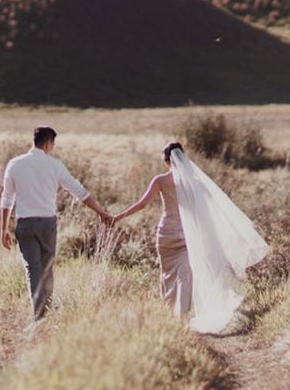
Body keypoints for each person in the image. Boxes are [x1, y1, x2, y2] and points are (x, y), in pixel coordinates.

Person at [112, 141, 269, 333]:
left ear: (166, 161)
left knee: (167, 275)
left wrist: (118, 217)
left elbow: (142, 204)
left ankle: (171, 315)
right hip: (186, 234)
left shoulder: (160, 181)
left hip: (166, 234)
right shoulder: (194, 181)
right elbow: (209, 206)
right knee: (186, 275)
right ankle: (182, 315)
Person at [0, 126, 111, 319]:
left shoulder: (15, 164)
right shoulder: (54, 165)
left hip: (25, 224)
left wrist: (3, 229)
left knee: (32, 269)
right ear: (48, 143)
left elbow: (7, 198)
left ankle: (39, 314)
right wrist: (101, 212)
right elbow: (80, 193)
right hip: (47, 224)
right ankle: (45, 312)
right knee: (46, 268)